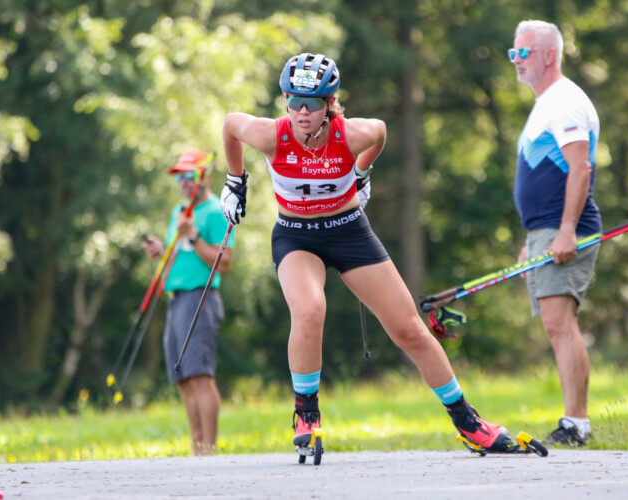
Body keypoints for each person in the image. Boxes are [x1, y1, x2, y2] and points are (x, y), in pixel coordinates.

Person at [219, 52, 522, 454]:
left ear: (330, 104)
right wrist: (235, 180)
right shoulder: (272, 135)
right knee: (309, 309)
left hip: (349, 232)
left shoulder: (353, 134)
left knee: (409, 328)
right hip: (296, 236)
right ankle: (306, 412)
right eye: (292, 101)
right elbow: (230, 126)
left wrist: (361, 172)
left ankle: (468, 421)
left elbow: (380, 132)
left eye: (311, 104)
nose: (301, 112)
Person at [510, 20, 602, 446]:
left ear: (549, 54)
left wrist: (565, 230)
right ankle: (574, 421)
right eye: (514, 53)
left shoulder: (564, 101)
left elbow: (580, 167)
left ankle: (576, 425)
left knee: (559, 323)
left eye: (524, 52)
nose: (517, 61)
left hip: (568, 228)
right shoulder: (545, 103)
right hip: (546, 229)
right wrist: (535, 235)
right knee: (555, 324)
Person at [142, 148, 235, 455]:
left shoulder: (216, 211)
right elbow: (177, 252)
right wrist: (161, 249)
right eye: (179, 176)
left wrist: (194, 236)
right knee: (183, 377)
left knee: (201, 376)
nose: (183, 181)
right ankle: (198, 450)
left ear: (204, 175)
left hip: (201, 298)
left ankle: (210, 450)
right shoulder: (177, 212)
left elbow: (223, 263)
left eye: (189, 175)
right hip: (177, 299)